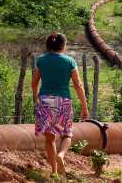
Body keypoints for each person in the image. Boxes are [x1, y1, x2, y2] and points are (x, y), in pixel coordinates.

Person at [31, 32, 89, 176]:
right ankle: (61, 155)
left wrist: (36, 98)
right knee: (67, 134)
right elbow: (78, 85)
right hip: (63, 101)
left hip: (45, 101)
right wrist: (84, 106)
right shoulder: (70, 62)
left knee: (50, 138)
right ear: (63, 45)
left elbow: (34, 83)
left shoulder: (41, 61)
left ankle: (54, 172)